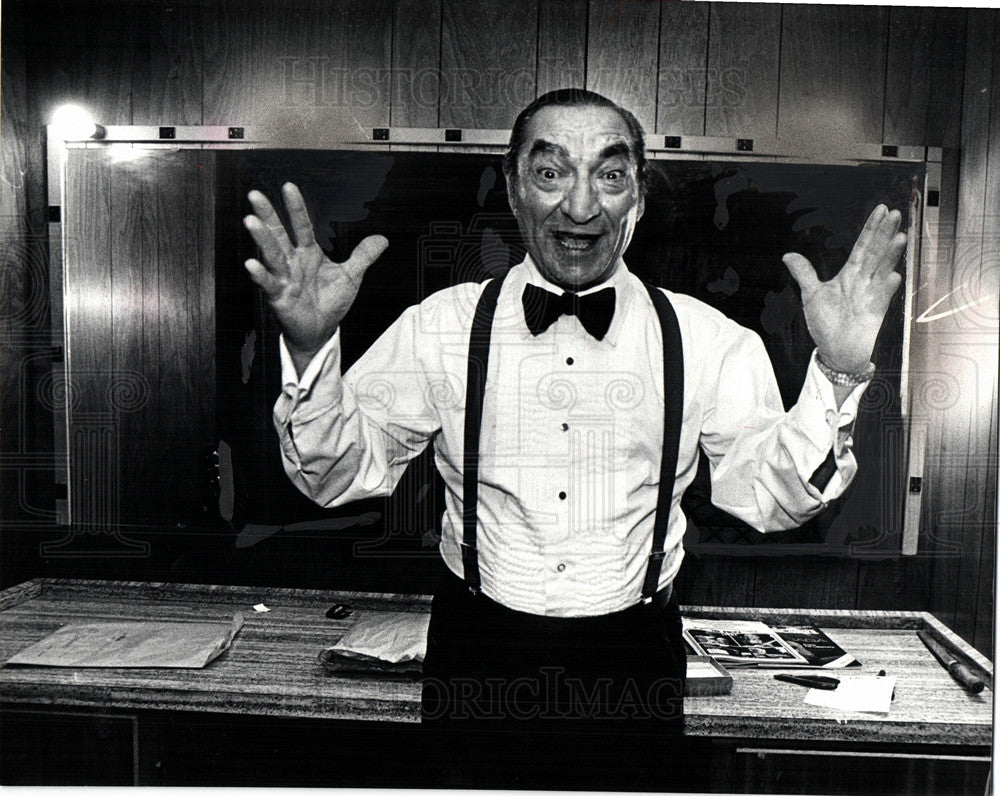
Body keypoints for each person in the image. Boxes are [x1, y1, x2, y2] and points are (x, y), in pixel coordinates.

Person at [243, 88, 906, 789]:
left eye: (611, 175)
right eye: (551, 171)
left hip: (633, 662)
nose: (582, 206)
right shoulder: (440, 326)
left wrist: (837, 369)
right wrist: (312, 350)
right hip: (478, 655)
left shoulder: (708, 340)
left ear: (639, 200)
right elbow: (334, 474)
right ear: (513, 188)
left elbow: (774, 499)